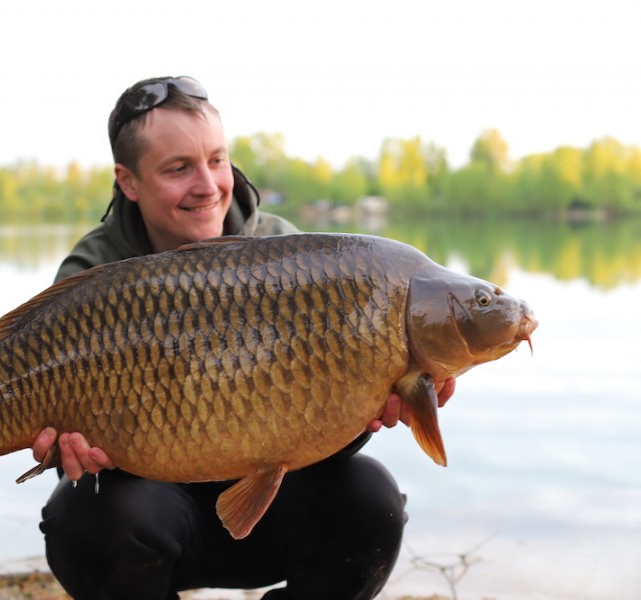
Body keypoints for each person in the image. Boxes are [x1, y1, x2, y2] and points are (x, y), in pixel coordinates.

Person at [31, 76, 455, 600]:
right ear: (129, 181)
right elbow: (49, 431)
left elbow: (320, 435)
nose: (208, 185)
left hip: (268, 512)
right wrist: (63, 453)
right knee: (83, 511)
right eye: (178, 167)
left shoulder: (292, 256)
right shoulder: (93, 273)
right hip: (149, 517)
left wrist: (372, 405)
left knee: (371, 496)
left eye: (216, 159)